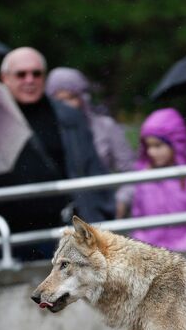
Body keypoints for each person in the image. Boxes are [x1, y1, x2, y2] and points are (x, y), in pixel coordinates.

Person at [0, 47, 114, 261]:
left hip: (64, 228)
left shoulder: (69, 117)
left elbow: (92, 170)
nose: (29, 80)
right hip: (10, 233)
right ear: (5, 78)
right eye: (21, 74)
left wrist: (100, 217)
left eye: (36, 73)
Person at [45, 67, 135, 218]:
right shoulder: (48, 133)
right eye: (60, 100)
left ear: (82, 97)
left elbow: (132, 171)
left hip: (101, 211)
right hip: (62, 215)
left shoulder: (105, 126)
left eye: (72, 97)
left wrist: (120, 202)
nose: (66, 105)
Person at [130, 108, 186, 252]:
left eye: (158, 145)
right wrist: (148, 252)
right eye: (148, 146)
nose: (151, 152)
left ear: (176, 144)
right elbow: (138, 222)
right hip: (152, 260)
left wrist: (179, 253)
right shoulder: (144, 178)